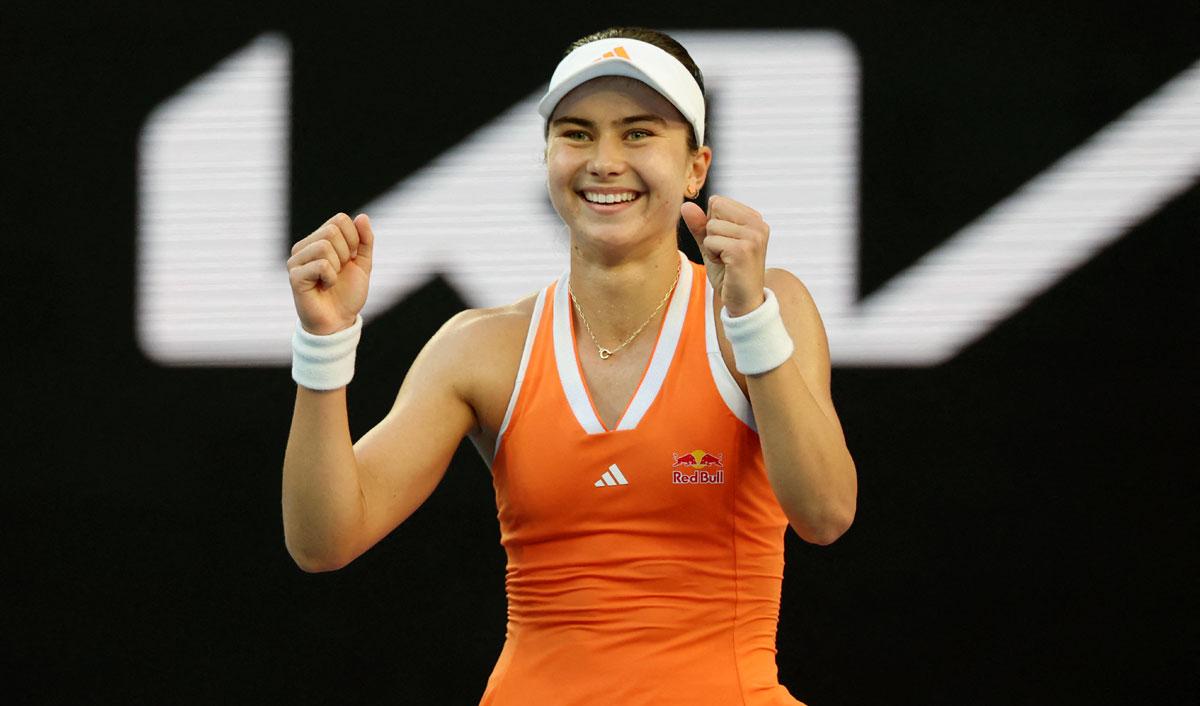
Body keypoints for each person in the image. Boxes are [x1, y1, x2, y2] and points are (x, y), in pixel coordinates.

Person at [282, 27, 857, 706]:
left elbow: (825, 514)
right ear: (548, 157)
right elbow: (324, 540)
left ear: (696, 168)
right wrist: (324, 344)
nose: (605, 162)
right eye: (577, 134)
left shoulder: (764, 307)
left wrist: (750, 322)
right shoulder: (482, 346)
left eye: (638, 134)